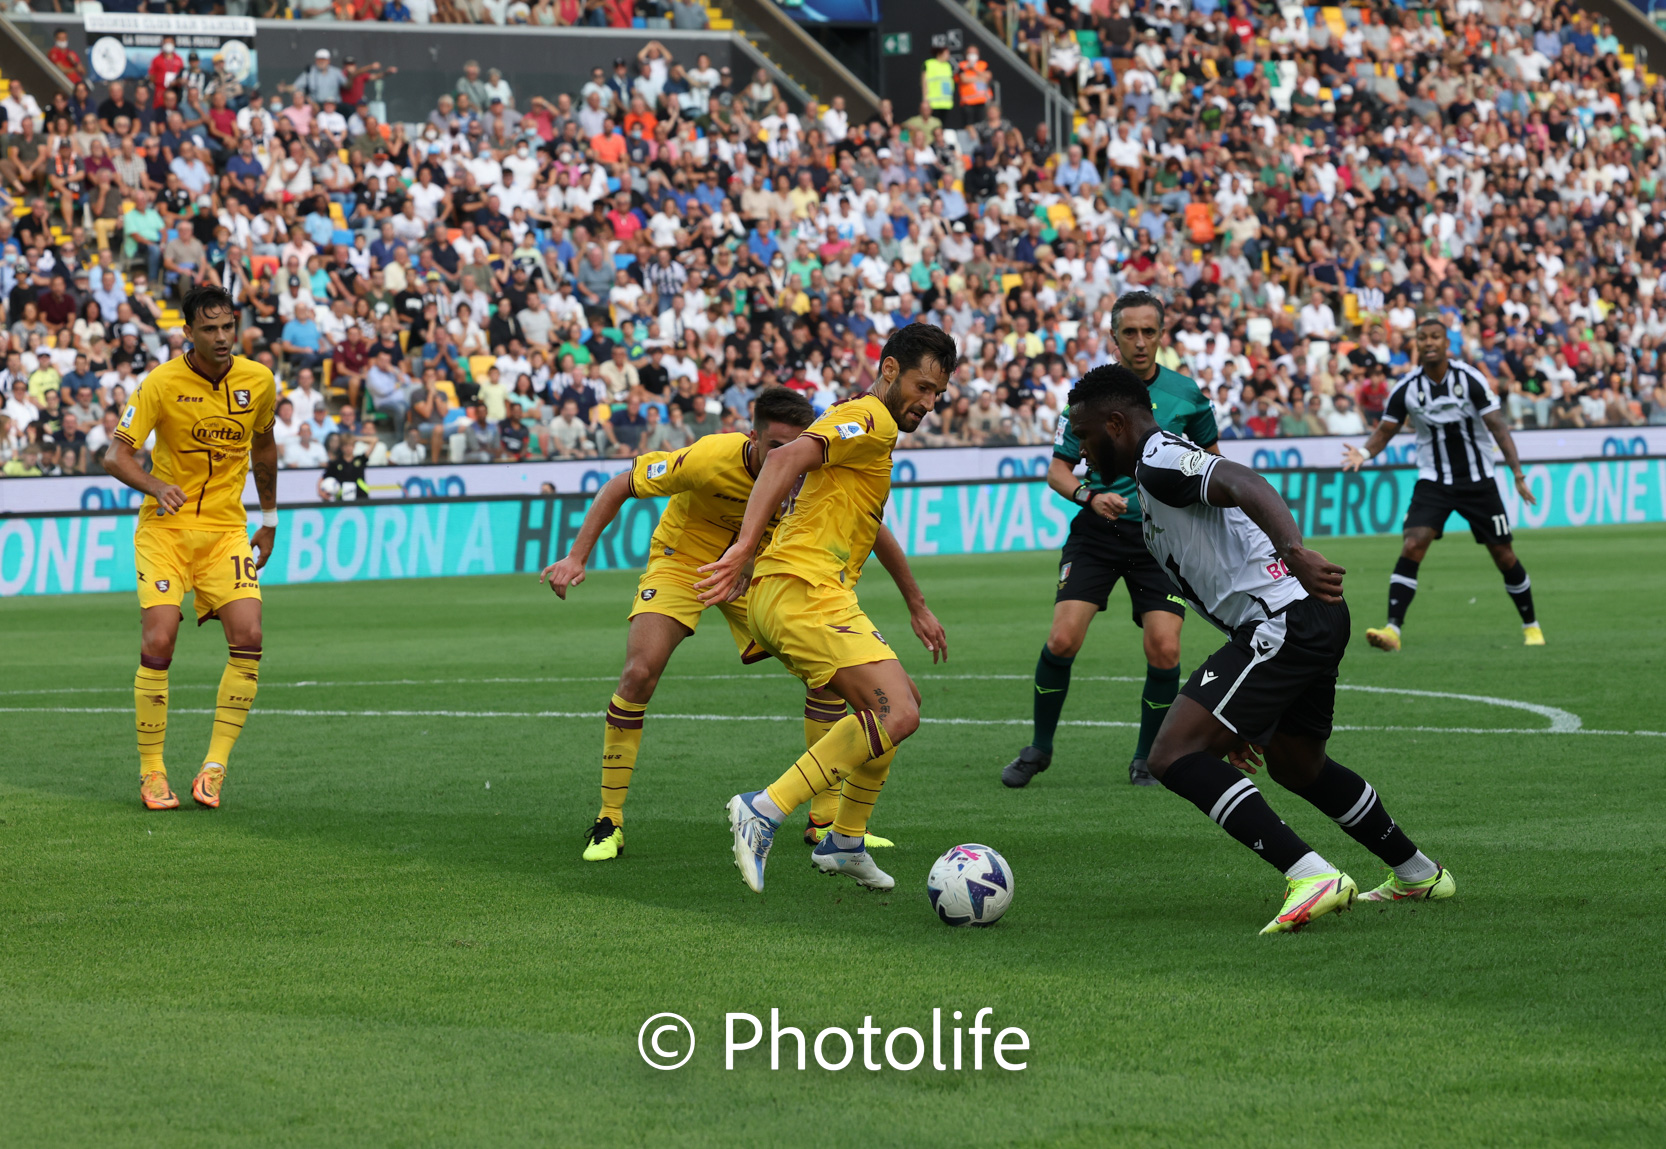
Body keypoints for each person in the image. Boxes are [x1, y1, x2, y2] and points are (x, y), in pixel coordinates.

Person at [1067, 364, 1456, 934]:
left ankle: (1310, 874)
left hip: (1283, 619)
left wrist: (1292, 548)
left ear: (1117, 423)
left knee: (1171, 754)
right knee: (1298, 765)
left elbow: (1241, 480)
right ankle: (1419, 873)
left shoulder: (1158, 457)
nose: (1082, 450)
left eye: (1084, 434)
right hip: (1301, 620)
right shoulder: (1154, 470)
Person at [542, 388, 863, 861]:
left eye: (795, 445)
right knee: (638, 673)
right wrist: (576, 555)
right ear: (752, 436)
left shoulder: (812, 469)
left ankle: (823, 822)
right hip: (683, 562)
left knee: (829, 675)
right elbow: (619, 485)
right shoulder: (709, 457)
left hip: (754, 572)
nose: (786, 456)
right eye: (775, 445)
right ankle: (609, 819)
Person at [696, 324, 954, 893]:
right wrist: (743, 546)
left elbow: (870, 523)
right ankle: (762, 809)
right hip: (800, 590)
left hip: (815, 591)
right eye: (922, 386)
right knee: (897, 714)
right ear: (889, 370)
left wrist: (915, 602)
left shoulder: (870, 432)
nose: (929, 403)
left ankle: (844, 841)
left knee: (903, 702)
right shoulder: (872, 416)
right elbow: (785, 458)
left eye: (938, 393)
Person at [1003, 291, 1218, 791]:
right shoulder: (1090, 397)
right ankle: (1039, 747)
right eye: (1130, 332)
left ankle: (1146, 759)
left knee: (1164, 649)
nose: (1140, 343)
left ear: (1162, 335)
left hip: (1159, 541)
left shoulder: (1188, 395)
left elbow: (1211, 462)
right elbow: (1057, 470)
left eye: (1149, 332)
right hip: (1097, 534)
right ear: (1113, 336)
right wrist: (1088, 495)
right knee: (1062, 639)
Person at [99, 285, 278, 813]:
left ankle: (214, 767)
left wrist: (269, 519)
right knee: (160, 637)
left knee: (249, 634)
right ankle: (152, 772)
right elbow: (116, 456)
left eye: (228, 327)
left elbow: (264, 446)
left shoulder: (259, 380)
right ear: (188, 332)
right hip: (166, 531)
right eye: (209, 329)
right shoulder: (160, 384)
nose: (222, 338)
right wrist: (156, 486)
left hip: (226, 531)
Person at [1343, 316, 1543, 650]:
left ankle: (1532, 626)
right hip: (1434, 481)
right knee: (1412, 544)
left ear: (1446, 343)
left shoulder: (1471, 380)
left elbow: (1498, 427)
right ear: (1417, 344)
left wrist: (1517, 474)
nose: (1429, 342)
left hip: (1479, 481)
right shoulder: (1407, 388)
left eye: (1436, 337)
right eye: (1423, 338)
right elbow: (1385, 431)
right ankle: (1393, 630)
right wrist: (1363, 452)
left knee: (1504, 555)